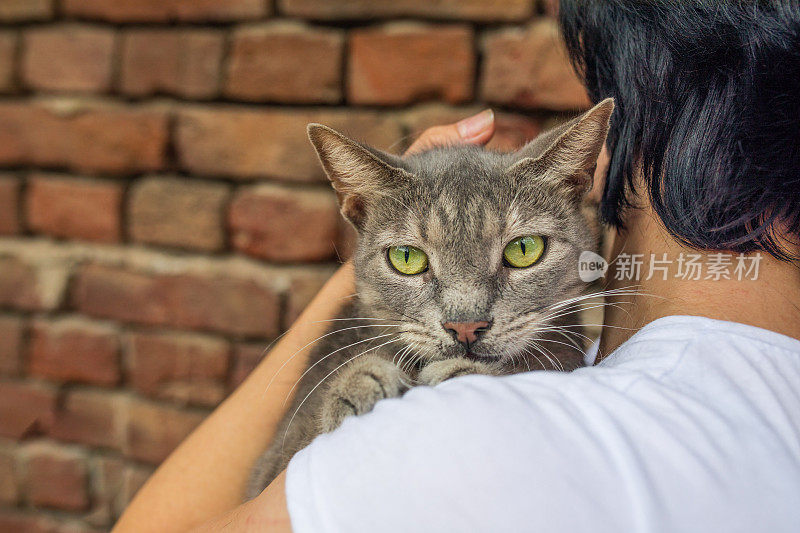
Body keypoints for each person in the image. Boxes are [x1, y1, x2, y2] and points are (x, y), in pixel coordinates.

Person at [114, 1, 800, 531]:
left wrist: (374, 260)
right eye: (411, 258)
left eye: (522, 251)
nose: (467, 318)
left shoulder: (458, 439)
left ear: (605, 154)